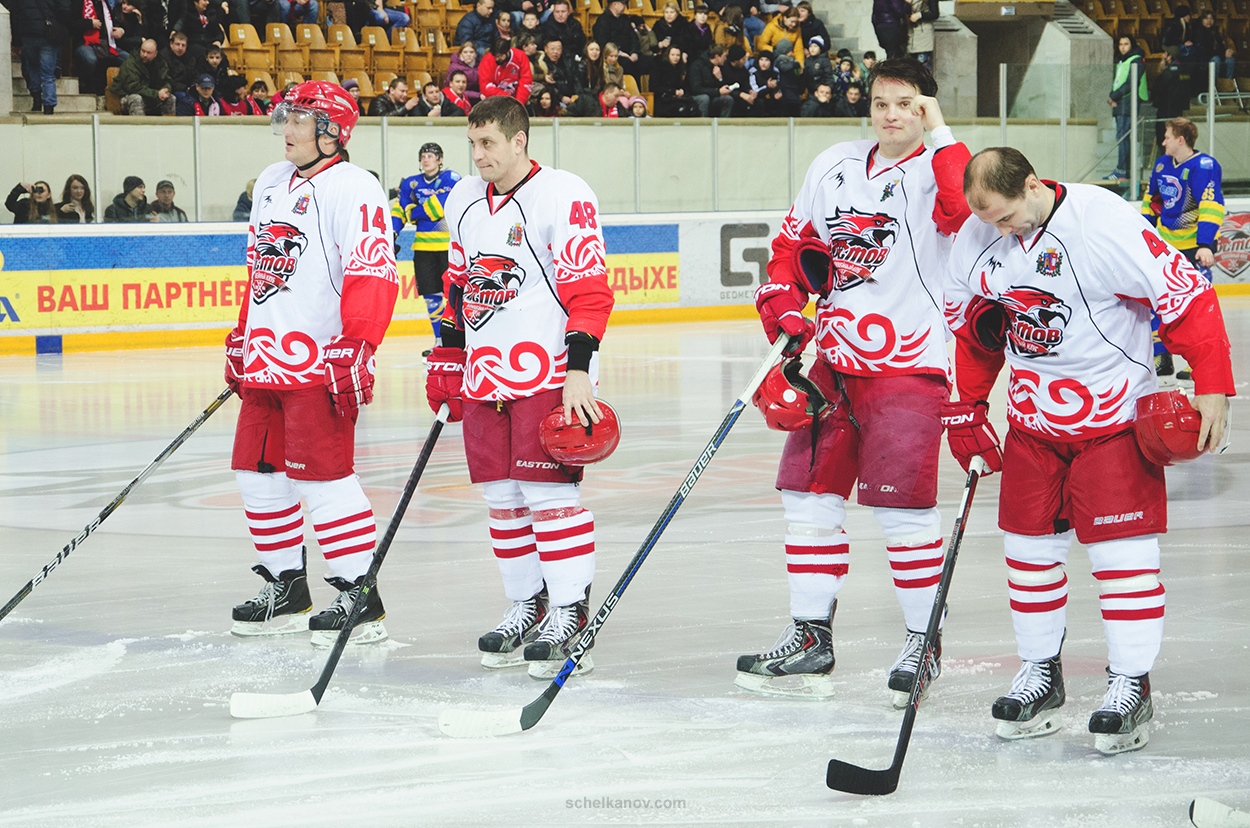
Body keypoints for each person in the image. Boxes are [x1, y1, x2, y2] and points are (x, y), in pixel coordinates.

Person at [945, 146, 1232, 754]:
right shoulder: (978, 238)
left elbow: (1187, 298)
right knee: (1027, 551)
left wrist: (1212, 387)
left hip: (1113, 419)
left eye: (1004, 216)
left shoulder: (1104, 222)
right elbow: (978, 333)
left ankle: (1131, 683)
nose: (997, 230)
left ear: (1031, 183)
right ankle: (1040, 675)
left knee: (1121, 556)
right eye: (987, 219)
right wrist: (965, 406)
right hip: (1031, 421)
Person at [737, 58, 972, 704]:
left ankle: (924, 639)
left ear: (925, 107)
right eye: (880, 103)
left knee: (902, 512)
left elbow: (959, 210)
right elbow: (791, 246)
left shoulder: (942, 167)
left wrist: (944, 131)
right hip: (833, 367)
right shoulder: (835, 164)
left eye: (906, 104)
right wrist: (782, 309)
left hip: (910, 368)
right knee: (807, 499)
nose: (891, 115)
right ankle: (811, 634)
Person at [427, 95, 614, 678]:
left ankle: (569, 612)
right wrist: (449, 353)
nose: (478, 154)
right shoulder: (462, 198)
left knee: (549, 498)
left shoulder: (563, 193)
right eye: (472, 143)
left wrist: (578, 369)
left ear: (519, 141)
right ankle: (526, 604)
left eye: (488, 143)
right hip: (485, 376)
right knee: (502, 501)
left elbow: (590, 290)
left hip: (549, 376)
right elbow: (458, 284)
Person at [226, 80, 399, 646]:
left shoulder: (356, 187)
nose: (287, 131)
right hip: (265, 361)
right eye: (286, 119)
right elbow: (261, 272)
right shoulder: (274, 182)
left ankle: (359, 595)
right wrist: (243, 331)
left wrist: (359, 343)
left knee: (324, 479)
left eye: (299, 121)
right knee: (255, 472)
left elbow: (372, 270)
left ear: (333, 131)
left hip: (318, 363)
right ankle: (286, 585)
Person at [1142, 117, 1225, 381]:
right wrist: (1143, 235)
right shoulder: (1162, 163)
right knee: (1158, 302)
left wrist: (1205, 244)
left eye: (1167, 136)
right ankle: (1161, 357)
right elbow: (1151, 200)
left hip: (1193, 249)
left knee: (1193, 307)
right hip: (1165, 248)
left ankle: (1195, 362)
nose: (1162, 141)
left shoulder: (1205, 166)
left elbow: (1212, 206)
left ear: (1181, 140)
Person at [392, 143, 461, 351]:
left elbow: (440, 207)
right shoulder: (411, 183)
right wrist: (392, 234)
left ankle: (455, 340)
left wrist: (414, 212)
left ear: (440, 160)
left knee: (452, 297)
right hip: (423, 249)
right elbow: (399, 210)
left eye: (431, 156)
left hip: (448, 249)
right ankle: (439, 340)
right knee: (431, 298)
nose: (426, 159)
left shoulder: (451, 178)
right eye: (423, 156)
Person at [1107, 35, 1147, 182]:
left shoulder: (1136, 60)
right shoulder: (1123, 60)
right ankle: (1123, 170)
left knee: (1124, 137)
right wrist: (1113, 96)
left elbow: (1131, 82)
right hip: (1121, 102)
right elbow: (1119, 81)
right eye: (1120, 44)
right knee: (1121, 137)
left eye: (1126, 44)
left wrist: (1114, 96)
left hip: (1128, 102)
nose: (1123, 47)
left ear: (1132, 45)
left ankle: (1122, 170)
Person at [111, 38, 176, 115]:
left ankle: (168, 125)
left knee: (171, 98)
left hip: (151, 97)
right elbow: (133, 87)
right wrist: (156, 93)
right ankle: (140, 126)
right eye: (143, 51)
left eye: (149, 53)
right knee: (136, 98)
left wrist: (165, 90)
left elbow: (166, 80)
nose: (145, 55)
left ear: (155, 54)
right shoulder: (131, 63)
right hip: (127, 96)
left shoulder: (161, 63)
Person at [591, 0, 643, 79]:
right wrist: (620, 53)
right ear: (615, 4)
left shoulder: (625, 19)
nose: (625, 6)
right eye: (623, 4)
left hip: (630, 54)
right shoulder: (602, 20)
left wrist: (634, 52)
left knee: (652, 61)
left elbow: (634, 38)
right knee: (628, 64)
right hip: (614, 55)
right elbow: (603, 42)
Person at [479, 38, 533, 104]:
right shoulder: (487, 60)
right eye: (496, 56)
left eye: (500, 56)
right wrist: (507, 99)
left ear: (508, 52)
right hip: (495, 99)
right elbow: (485, 85)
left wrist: (519, 103)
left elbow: (526, 81)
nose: (497, 59)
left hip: (516, 98)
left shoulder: (521, 56)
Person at [688, 42, 734, 118]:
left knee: (728, 99)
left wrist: (720, 79)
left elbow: (726, 84)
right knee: (704, 98)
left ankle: (724, 125)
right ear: (717, 56)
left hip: (712, 96)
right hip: (695, 97)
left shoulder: (722, 66)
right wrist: (718, 91)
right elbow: (696, 89)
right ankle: (703, 125)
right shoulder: (697, 66)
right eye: (724, 56)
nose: (726, 59)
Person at [651, 44, 693, 116]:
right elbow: (654, 87)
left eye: (678, 55)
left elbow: (683, 85)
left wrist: (682, 90)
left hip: (676, 98)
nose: (675, 58)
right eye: (673, 55)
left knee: (692, 107)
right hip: (663, 100)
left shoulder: (679, 68)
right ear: (668, 55)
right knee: (683, 109)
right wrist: (673, 91)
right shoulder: (659, 68)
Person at [1195, 11, 1235, 80]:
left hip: (1218, 55)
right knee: (1216, 59)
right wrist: (1222, 54)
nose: (1209, 21)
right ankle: (1215, 84)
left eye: (1211, 19)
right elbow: (1204, 50)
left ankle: (1228, 83)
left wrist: (1227, 51)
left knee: (1231, 59)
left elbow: (1221, 46)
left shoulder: (1215, 32)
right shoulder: (1199, 32)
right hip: (1206, 58)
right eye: (1206, 18)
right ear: (1202, 20)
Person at [447, 41, 484, 106]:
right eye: (465, 52)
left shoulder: (480, 66)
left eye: (471, 52)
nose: (468, 54)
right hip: (459, 96)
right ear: (460, 54)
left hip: (478, 97)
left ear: (475, 54)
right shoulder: (454, 67)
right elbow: (451, 88)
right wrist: (478, 95)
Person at [160, 31, 196, 96]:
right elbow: (166, 79)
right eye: (177, 44)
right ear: (171, 44)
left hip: (187, 88)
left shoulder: (190, 57)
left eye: (183, 45)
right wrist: (185, 88)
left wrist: (194, 85)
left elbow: (195, 75)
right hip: (172, 89)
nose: (180, 48)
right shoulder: (163, 57)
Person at [906, 0, 937, 70]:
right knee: (912, 69)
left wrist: (920, 15)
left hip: (924, 34)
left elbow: (935, 14)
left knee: (923, 67)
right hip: (911, 34)